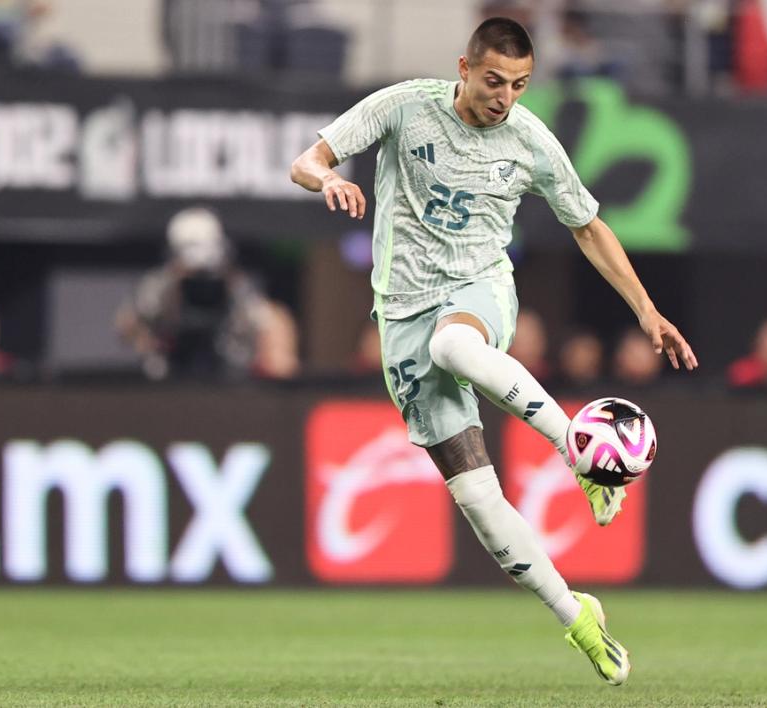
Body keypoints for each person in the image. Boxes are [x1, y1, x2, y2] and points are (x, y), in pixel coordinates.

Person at [290, 17, 697, 686]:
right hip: (400, 315)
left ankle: (582, 455)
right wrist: (324, 180)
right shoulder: (403, 108)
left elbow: (588, 226)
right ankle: (578, 616)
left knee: (455, 343)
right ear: (464, 68)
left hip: (478, 291)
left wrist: (646, 310)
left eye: (520, 85)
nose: (505, 97)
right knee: (478, 498)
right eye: (494, 81)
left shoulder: (530, 140)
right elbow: (310, 159)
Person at [115, 207, 269, 380]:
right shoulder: (159, 284)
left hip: (224, 367)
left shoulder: (234, 283)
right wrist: (152, 342)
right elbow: (127, 324)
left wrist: (228, 289)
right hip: (171, 366)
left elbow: (261, 322)